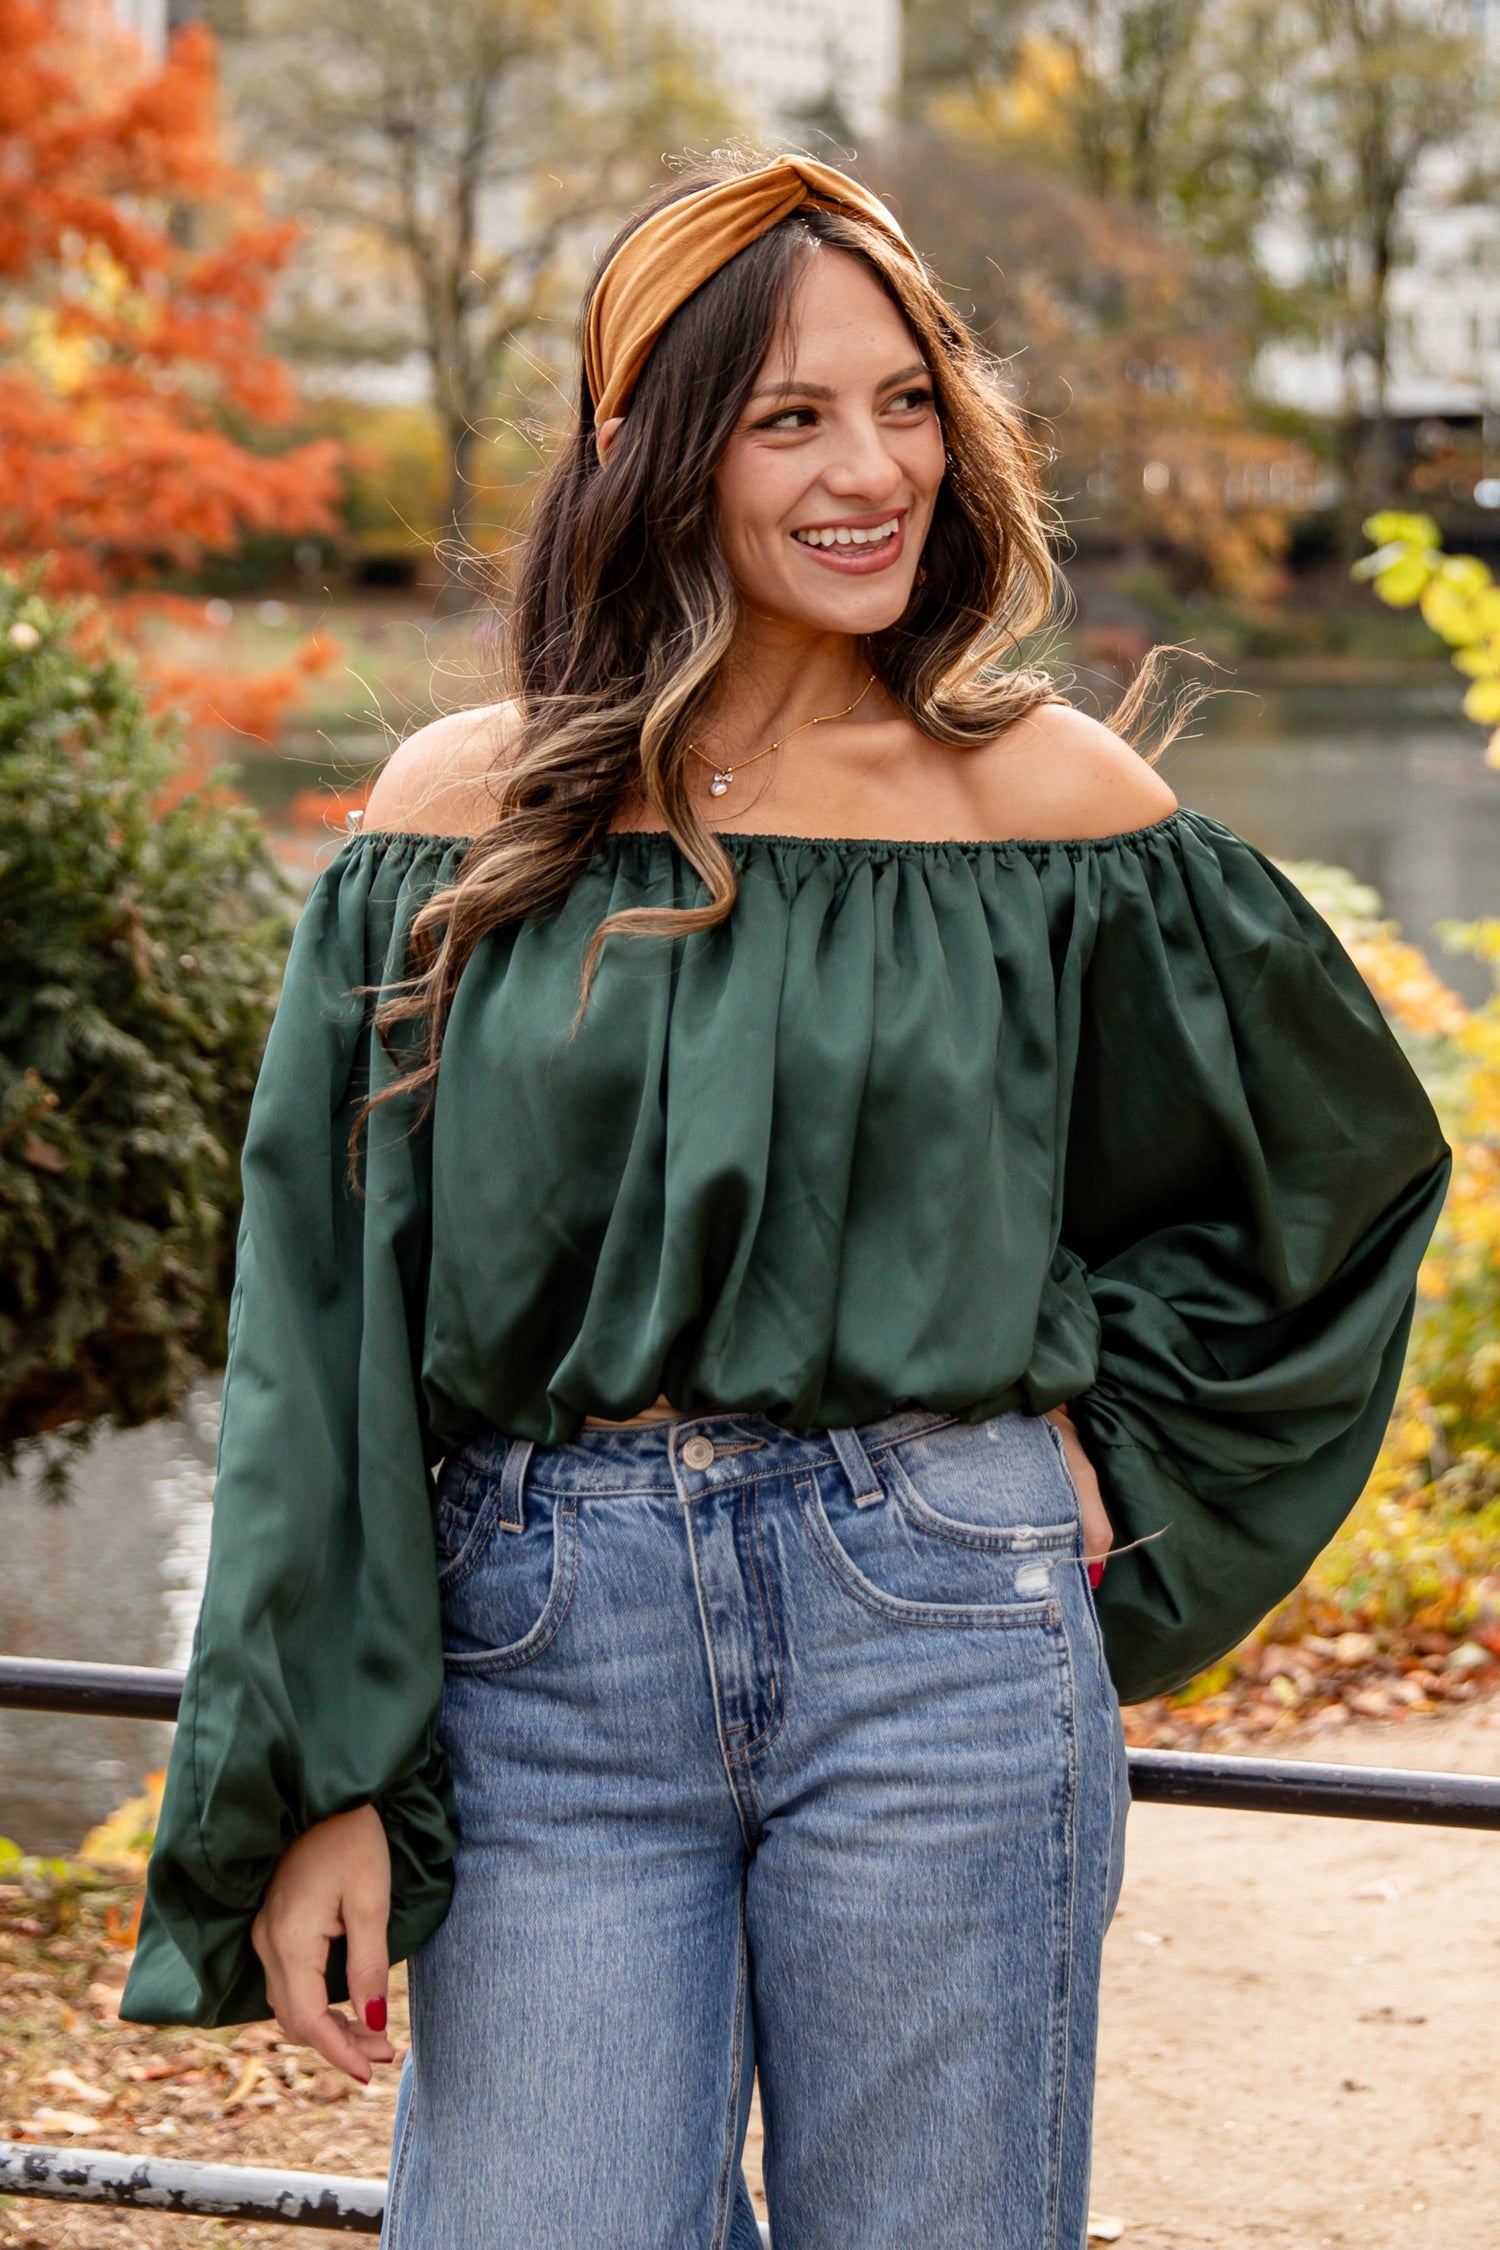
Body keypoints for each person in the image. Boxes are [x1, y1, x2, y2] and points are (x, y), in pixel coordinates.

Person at [122, 156, 1450, 2249]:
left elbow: (1328, 1191)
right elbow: (320, 1324)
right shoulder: (458, 821)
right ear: (656, 457)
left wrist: (1114, 1448)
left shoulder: (1055, 814)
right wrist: (323, 1772)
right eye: (791, 418)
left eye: (910, 402)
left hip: (943, 1631)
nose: (874, 468)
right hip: (542, 1655)